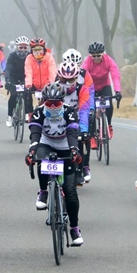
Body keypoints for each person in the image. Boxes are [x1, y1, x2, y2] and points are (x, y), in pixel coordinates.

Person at [25, 82, 84, 246]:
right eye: (48, 103)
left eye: (56, 103)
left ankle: (74, 228)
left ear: (62, 101)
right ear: (43, 101)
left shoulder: (69, 112)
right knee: (42, 160)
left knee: (70, 191)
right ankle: (44, 190)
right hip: (47, 144)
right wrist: (32, 151)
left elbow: (72, 133)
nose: (52, 107)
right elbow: (35, 134)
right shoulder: (38, 113)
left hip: (66, 146)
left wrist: (74, 150)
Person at [55, 60, 93, 185]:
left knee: (82, 138)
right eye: (63, 80)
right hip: (57, 119)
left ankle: (81, 167)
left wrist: (84, 130)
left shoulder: (82, 90)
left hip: (75, 119)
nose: (66, 84)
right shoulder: (53, 88)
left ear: (76, 78)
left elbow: (84, 111)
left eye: (70, 81)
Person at [82, 42, 121, 144]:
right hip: (92, 88)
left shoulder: (108, 61)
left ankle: (108, 125)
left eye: (98, 55)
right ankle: (93, 136)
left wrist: (117, 91)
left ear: (103, 54)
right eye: (93, 56)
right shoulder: (87, 62)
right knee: (92, 111)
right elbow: (82, 77)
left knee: (109, 106)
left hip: (104, 86)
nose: (96, 58)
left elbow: (115, 76)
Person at [5, 36, 33, 127]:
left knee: (27, 94)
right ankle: (9, 116)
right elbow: (8, 68)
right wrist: (7, 80)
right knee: (13, 95)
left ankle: (27, 113)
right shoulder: (12, 56)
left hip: (25, 77)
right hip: (13, 77)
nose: (23, 50)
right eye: (21, 47)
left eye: (25, 48)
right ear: (17, 47)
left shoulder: (30, 56)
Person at [24, 38, 57, 102]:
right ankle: (29, 111)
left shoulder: (49, 57)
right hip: (34, 84)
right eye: (35, 50)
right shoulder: (29, 58)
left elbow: (52, 71)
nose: (38, 52)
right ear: (31, 51)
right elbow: (28, 72)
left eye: (40, 50)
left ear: (44, 50)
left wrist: (52, 84)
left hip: (47, 84)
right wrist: (28, 85)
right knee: (26, 94)